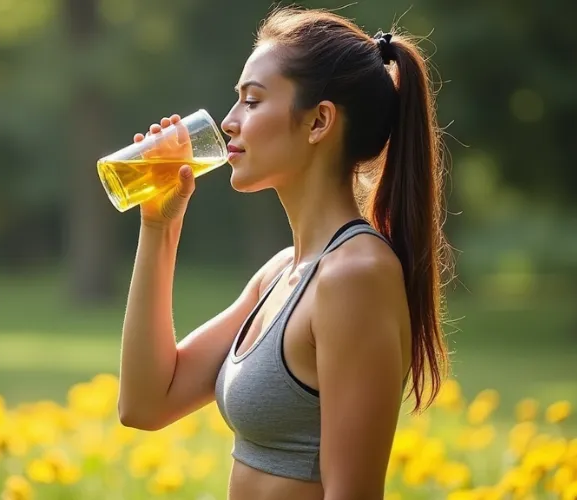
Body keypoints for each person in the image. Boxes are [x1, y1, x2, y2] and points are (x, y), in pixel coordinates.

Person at [116, 5, 452, 500]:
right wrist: (159, 225)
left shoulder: (355, 277)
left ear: (319, 121)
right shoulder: (280, 274)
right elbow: (145, 404)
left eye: (252, 101)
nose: (228, 122)